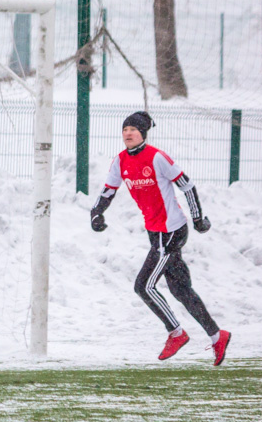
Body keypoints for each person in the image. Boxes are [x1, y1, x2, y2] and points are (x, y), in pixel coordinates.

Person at [90, 111, 231, 365]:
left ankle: (176, 333)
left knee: (143, 285)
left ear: (143, 133)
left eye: (133, 129)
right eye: (125, 130)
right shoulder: (120, 161)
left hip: (172, 232)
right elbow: (108, 191)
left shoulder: (157, 157)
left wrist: (198, 218)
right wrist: (96, 213)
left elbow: (186, 185)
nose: (128, 133)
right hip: (155, 232)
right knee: (181, 290)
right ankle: (217, 335)